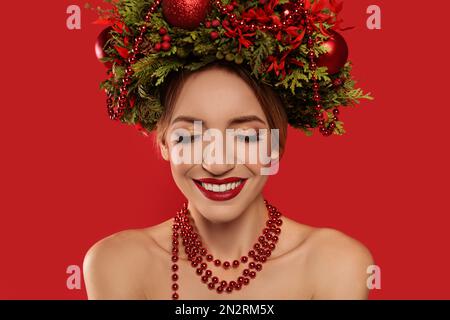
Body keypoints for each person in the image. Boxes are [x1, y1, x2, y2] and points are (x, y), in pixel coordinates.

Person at [84, 0, 374, 300]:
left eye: (246, 137)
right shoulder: (116, 264)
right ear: (164, 142)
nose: (218, 163)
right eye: (192, 137)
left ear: (275, 145)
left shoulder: (337, 264)